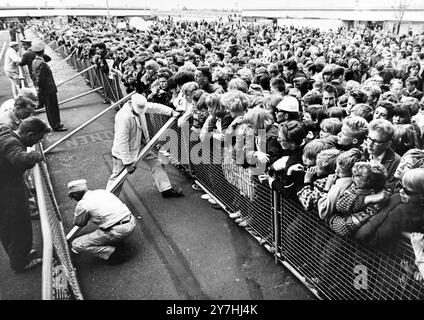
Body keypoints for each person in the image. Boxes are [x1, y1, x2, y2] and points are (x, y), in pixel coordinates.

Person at [106, 93, 184, 198]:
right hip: (124, 153)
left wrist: (171, 111)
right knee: (117, 178)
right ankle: (108, 200)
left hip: (141, 146)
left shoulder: (140, 105)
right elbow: (122, 142)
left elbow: (155, 107)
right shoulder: (123, 117)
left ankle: (166, 189)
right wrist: (128, 163)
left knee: (157, 164)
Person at [0, 117, 50, 273]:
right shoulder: (11, 143)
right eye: (38, 138)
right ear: (29, 134)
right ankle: (20, 263)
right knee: (18, 226)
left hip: (7, 186)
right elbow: (23, 160)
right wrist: (35, 155)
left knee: (9, 226)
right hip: (7, 191)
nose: (39, 141)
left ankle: (20, 255)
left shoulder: (7, 134)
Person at [68, 179, 136, 265]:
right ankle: (117, 241)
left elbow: (79, 223)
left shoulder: (82, 204)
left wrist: (83, 214)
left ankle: (116, 254)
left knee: (76, 244)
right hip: (131, 221)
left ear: (75, 194)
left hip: (119, 231)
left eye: (72, 197)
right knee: (102, 221)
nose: (73, 199)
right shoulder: (101, 191)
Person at [31, 43, 67, 132]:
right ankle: (56, 125)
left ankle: (55, 123)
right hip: (48, 89)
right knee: (52, 108)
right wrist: (40, 87)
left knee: (49, 107)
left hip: (44, 89)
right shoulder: (42, 63)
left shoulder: (35, 61)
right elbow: (40, 78)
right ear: (43, 51)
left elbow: (48, 59)